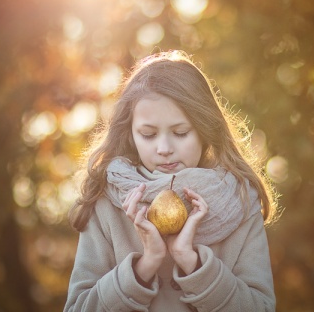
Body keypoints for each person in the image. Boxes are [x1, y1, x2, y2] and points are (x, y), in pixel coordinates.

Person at [64, 50, 278, 311]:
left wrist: (191, 262)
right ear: (131, 135)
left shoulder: (240, 200)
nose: (164, 148)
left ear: (204, 131)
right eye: (148, 134)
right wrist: (145, 265)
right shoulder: (106, 199)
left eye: (180, 132)